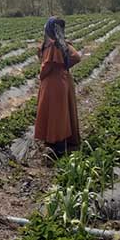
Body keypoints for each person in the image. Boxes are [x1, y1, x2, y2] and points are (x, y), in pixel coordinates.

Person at [34, 17, 81, 156]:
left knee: (54, 113)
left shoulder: (53, 46)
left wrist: (41, 74)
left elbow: (46, 66)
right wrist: (65, 66)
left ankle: (58, 145)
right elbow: (76, 57)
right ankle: (59, 141)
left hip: (52, 85)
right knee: (61, 112)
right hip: (63, 81)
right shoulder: (62, 43)